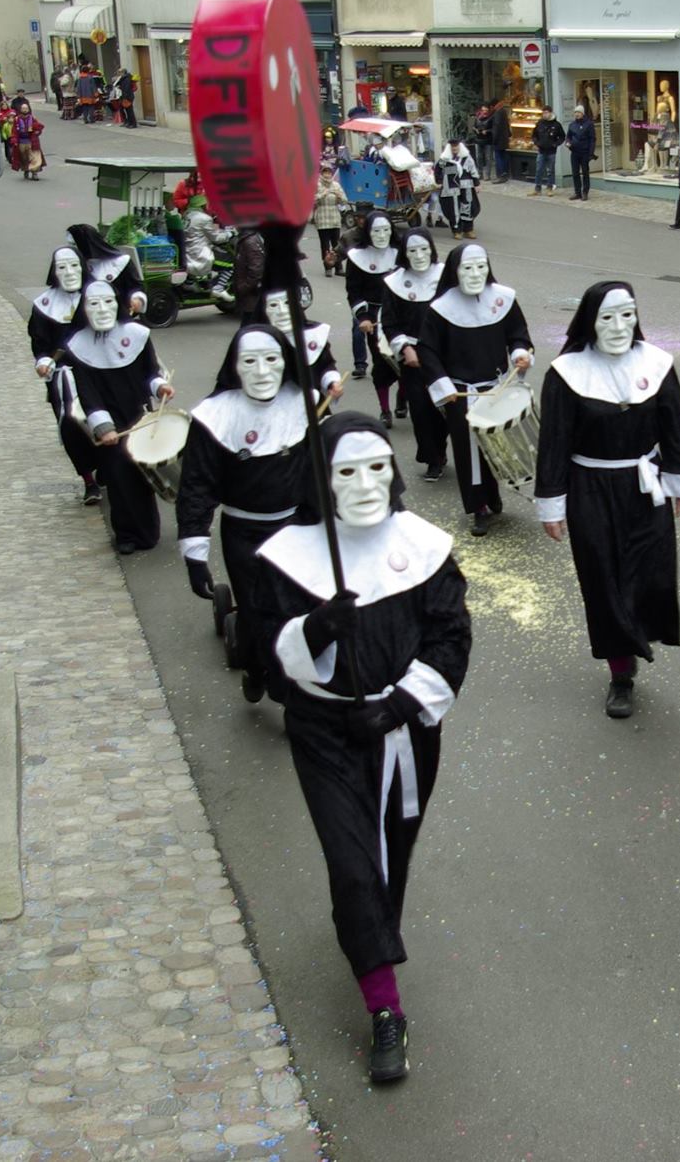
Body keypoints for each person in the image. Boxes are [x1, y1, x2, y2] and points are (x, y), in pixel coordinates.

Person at [250, 413, 472, 1084]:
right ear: (322, 480)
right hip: (325, 733)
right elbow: (268, 656)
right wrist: (316, 628)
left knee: (390, 856)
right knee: (352, 864)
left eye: (378, 467)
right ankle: (385, 1009)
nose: (367, 483)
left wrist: (399, 705)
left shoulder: (423, 546)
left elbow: (450, 635)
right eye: (347, 471)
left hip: (404, 729)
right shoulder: (287, 558)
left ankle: (366, 931)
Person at [535, 283, 680, 717]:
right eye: (607, 317)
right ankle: (620, 672)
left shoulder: (657, 365)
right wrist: (552, 503)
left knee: (650, 573)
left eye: (627, 315)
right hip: (590, 488)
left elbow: (675, 430)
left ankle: (637, 635)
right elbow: (553, 444)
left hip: (646, 486)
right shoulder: (566, 374)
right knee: (603, 579)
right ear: (590, 322)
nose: (619, 326)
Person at [178, 325, 314, 701]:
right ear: (235, 366)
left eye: (271, 359)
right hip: (244, 533)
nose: (261, 371)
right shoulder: (215, 415)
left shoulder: (306, 403)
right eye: (249, 361)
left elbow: (329, 469)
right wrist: (195, 554)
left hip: (298, 527)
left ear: (285, 363)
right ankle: (255, 666)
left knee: (295, 612)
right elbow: (197, 485)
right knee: (256, 612)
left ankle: (290, 694)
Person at [414, 243, 533, 537]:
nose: (476, 273)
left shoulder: (503, 299)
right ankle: (478, 507)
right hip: (461, 393)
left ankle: (494, 494)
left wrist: (520, 353)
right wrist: (443, 386)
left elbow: (518, 334)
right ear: (455, 272)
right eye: (468, 268)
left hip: (496, 387)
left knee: (497, 446)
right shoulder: (441, 309)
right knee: (470, 453)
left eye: (481, 267)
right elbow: (427, 351)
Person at [64, 280, 174, 554]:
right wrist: (103, 427)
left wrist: (160, 387)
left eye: (108, 302)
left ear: (117, 304)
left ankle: (147, 532)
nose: (102, 309)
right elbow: (87, 392)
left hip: (137, 416)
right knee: (117, 477)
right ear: (84, 309)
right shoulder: (78, 346)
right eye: (94, 304)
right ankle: (125, 534)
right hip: (109, 424)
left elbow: (149, 373)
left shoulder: (137, 335)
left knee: (141, 476)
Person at [27, 245, 102, 507]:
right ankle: (89, 481)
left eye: (73, 266)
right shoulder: (44, 305)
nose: (69, 272)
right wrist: (43, 360)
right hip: (65, 377)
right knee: (72, 425)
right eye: (62, 267)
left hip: (100, 371)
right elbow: (40, 343)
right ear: (54, 272)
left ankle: (110, 468)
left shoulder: (99, 296)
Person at [381, 230, 446, 481]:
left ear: (432, 249)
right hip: (412, 355)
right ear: (404, 253)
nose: (419, 256)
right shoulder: (394, 282)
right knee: (420, 410)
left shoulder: (446, 276)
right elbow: (389, 323)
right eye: (412, 250)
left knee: (442, 408)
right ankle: (432, 459)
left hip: (442, 352)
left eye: (424, 249)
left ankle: (440, 449)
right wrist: (405, 348)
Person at [343, 211, 399, 406]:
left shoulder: (402, 252)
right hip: (374, 317)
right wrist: (363, 317)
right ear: (367, 232)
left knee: (406, 362)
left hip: (401, 315)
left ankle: (403, 398)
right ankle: (385, 408)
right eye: (376, 231)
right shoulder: (357, 257)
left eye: (386, 230)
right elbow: (354, 291)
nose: (382, 235)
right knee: (381, 362)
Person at [259, 279, 343, 400]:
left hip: (310, 404)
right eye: (273, 305)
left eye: (287, 303)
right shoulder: (254, 340)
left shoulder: (313, 335)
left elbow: (325, 366)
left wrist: (332, 383)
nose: (282, 311)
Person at [70, 222, 149, 317]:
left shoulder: (121, 262)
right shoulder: (75, 266)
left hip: (118, 316)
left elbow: (136, 286)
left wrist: (137, 299)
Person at [313, 163, 352, 275]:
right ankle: (328, 267)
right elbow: (312, 199)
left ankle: (338, 268)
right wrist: (324, 193)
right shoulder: (317, 185)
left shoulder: (336, 185)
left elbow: (345, 200)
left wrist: (339, 196)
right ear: (321, 173)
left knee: (336, 245)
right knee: (325, 245)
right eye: (325, 172)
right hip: (322, 218)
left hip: (334, 218)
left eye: (329, 172)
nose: (327, 174)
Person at [437, 137, 479, 237]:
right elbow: (438, 171)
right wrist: (439, 181)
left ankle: (468, 229)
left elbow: (473, 170)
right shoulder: (445, 159)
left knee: (467, 206)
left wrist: (477, 184)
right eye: (452, 147)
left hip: (466, 185)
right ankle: (457, 230)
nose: (454, 148)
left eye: (456, 146)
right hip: (451, 186)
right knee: (454, 208)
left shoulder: (467, 157)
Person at [10, 98, 46, 180]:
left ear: (28, 109)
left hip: (31, 141)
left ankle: (34, 173)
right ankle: (26, 169)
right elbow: (14, 131)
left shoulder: (32, 118)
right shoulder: (17, 119)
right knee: (24, 158)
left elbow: (39, 127)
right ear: (20, 109)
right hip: (21, 142)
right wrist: (14, 140)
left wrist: (37, 132)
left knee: (34, 157)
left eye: (26, 108)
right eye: (23, 108)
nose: (25, 110)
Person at [565, 104, 595, 201]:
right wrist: (568, 143)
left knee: (585, 172)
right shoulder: (572, 125)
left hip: (584, 152)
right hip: (574, 152)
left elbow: (592, 139)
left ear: (582, 113)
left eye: (578, 112)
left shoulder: (589, 124)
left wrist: (591, 153)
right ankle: (577, 192)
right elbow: (568, 137)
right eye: (575, 112)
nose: (576, 114)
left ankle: (585, 192)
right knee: (575, 172)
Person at [531, 108, 564, 196]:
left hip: (551, 151)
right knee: (539, 169)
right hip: (541, 150)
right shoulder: (540, 123)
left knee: (550, 170)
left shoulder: (556, 125)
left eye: (546, 113)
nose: (544, 114)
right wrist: (536, 143)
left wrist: (555, 144)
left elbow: (562, 136)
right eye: (543, 113)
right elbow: (534, 135)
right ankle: (537, 188)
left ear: (550, 113)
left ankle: (550, 188)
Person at [482, 100, 510, 183]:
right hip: (504, 138)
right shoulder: (503, 111)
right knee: (503, 156)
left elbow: (496, 127)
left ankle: (500, 176)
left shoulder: (498, 112)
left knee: (498, 157)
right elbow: (507, 125)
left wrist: (494, 139)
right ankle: (505, 174)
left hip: (499, 139)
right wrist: (509, 135)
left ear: (493, 106)